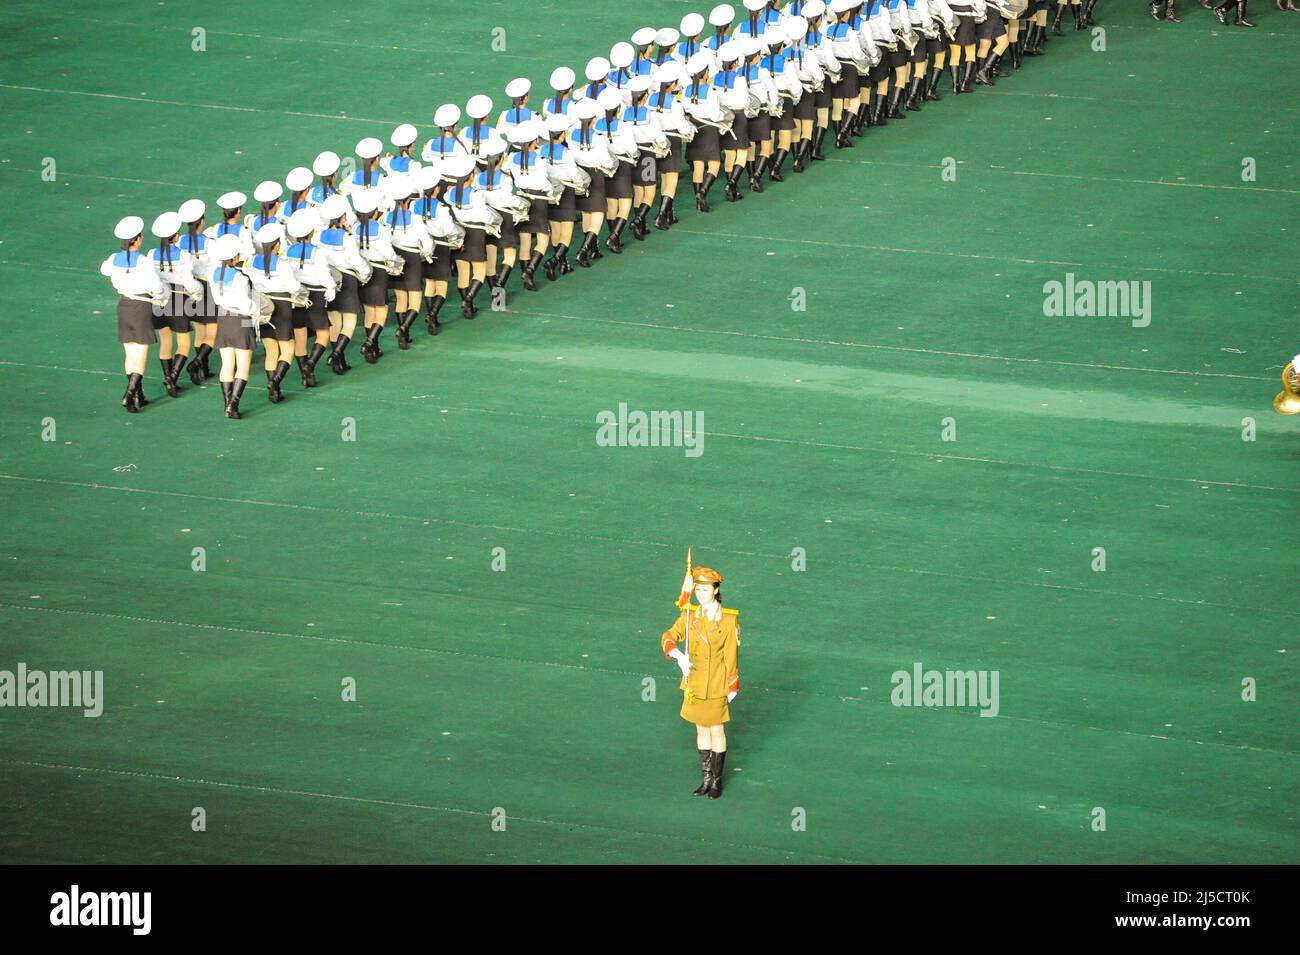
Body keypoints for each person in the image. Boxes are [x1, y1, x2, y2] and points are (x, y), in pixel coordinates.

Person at [659, 566, 741, 800]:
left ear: (716, 591)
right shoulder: (689, 616)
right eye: (697, 589)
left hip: (716, 681)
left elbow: (731, 656)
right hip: (694, 681)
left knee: (716, 729)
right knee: (701, 728)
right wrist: (677, 655)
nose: (700, 594)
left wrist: (732, 685)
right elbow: (668, 636)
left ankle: (716, 780)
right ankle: (705, 779)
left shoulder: (728, 620)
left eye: (705, 590)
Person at [101, 215, 166, 413]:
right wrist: (161, 297)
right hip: (141, 306)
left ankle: (137, 394)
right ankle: (129, 395)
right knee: (141, 353)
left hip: (124, 305)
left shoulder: (113, 259)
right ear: (137, 240)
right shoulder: (144, 261)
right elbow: (156, 286)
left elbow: (104, 269)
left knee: (129, 352)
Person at [206, 232, 267, 418]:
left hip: (224, 319)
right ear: (235, 257)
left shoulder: (213, 274)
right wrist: (258, 311)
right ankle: (233, 404)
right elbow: (245, 303)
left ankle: (227, 403)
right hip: (241, 320)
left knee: (227, 364)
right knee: (242, 366)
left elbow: (217, 299)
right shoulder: (241, 278)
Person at [246, 221, 303, 402]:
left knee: (271, 350)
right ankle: (276, 381)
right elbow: (293, 287)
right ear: (277, 245)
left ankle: (273, 390)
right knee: (287, 349)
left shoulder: (251, 262)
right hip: (282, 306)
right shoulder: (283, 263)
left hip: (263, 305)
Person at [149, 210, 201, 398]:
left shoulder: (152, 254)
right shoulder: (183, 256)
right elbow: (189, 283)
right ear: (176, 235)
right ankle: (172, 377)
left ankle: (169, 379)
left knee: (165, 341)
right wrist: (197, 292)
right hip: (179, 298)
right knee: (184, 343)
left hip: (159, 300)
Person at [315, 193, 370, 371]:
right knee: (350, 322)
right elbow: (355, 260)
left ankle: (339, 362)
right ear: (342, 217)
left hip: (329, 276)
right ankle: (336, 354)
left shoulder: (318, 236)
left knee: (334, 321)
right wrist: (365, 272)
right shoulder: (347, 237)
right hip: (347, 278)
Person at [284, 208, 339, 379]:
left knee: (300, 336)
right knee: (323, 333)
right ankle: (310, 365)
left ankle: (306, 376)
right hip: (316, 294)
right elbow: (324, 275)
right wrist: (331, 287)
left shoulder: (287, 251)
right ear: (311, 232)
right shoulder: (317, 252)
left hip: (298, 295)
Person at [177, 198, 219, 385]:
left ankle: (204, 368)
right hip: (207, 287)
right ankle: (197, 363)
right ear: (202, 221)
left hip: (189, 288)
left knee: (199, 331)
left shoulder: (180, 243)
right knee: (213, 333)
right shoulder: (210, 243)